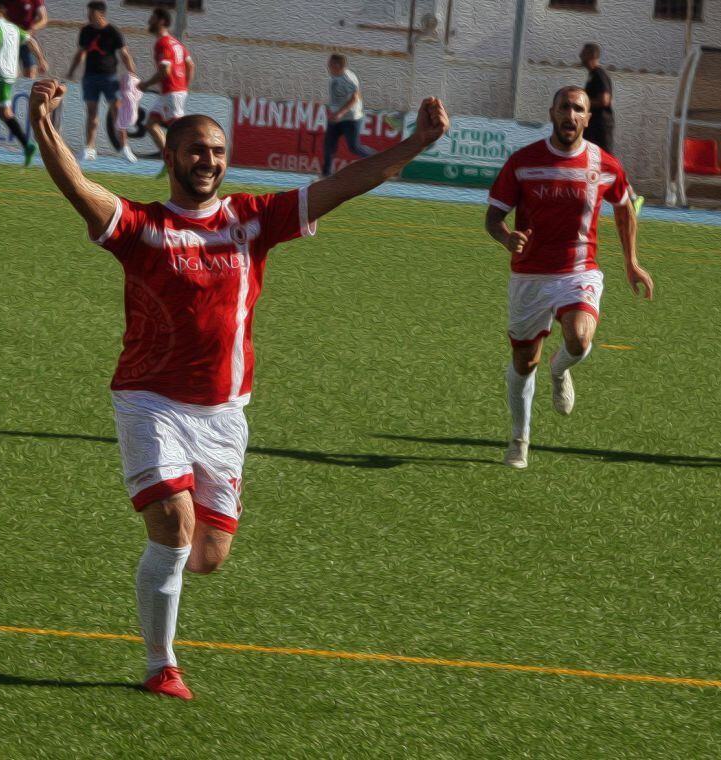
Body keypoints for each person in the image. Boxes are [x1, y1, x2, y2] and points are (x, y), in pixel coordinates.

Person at [28, 78, 449, 698]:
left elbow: (345, 184)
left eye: (218, 151)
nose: (210, 161)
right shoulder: (144, 227)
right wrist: (44, 126)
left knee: (208, 555)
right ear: (169, 156)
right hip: (151, 401)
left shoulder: (253, 220)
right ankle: (160, 664)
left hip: (225, 413)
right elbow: (79, 188)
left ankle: (161, 576)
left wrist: (417, 142)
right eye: (197, 150)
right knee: (173, 526)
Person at [485, 86, 653, 469]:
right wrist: (505, 236)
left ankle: (560, 369)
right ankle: (519, 438)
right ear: (552, 113)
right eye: (565, 107)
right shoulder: (523, 162)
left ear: (587, 119)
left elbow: (625, 211)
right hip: (530, 276)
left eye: (579, 109)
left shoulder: (605, 164)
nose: (571, 115)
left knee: (578, 339)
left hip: (579, 272)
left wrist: (632, 263)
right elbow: (492, 217)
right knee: (524, 360)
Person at [65, 1, 137, 163]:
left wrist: (132, 74)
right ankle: (89, 148)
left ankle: (125, 148)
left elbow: (125, 55)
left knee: (117, 112)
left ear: (101, 14)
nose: (89, 16)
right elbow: (81, 53)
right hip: (90, 77)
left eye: (92, 14)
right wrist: (71, 71)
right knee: (91, 113)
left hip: (109, 78)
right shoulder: (85, 31)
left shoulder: (113, 32)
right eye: (88, 13)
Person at [0, 0, 46, 165]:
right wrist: (41, 59)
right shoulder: (14, 28)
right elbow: (30, 40)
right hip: (4, 77)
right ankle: (27, 145)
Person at [138, 8, 193, 157]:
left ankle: (187, 156)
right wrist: (185, 86)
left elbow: (165, 71)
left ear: (161, 21)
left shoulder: (162, 43)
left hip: (172, 91)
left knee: (178, 130)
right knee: (151, 124)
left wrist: (146, 84)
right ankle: (168, 156)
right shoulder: (176, 43)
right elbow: (190, 65)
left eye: (152, 18)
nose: (149, 21)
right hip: (173, 91)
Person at [323, 53, 374, 177]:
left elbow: (355, 98)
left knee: (354, 147)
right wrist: (332, 112)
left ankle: (378, 159)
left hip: (351, 119)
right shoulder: (333, 77)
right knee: (328, 145)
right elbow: (336, 98)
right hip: (336, 117)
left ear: (337, 65)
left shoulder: (348, 79)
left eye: (330, 64)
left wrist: (340, 113)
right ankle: (326, 176)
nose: (328, 66)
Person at [581, 43, 613, 154]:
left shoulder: (599, 74)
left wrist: (582, 102)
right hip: (593, 125)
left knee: (604, 157)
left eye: (583, 53)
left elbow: (604, 100)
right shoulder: (592, 75)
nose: (580, 56)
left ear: (591, 55)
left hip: (600, 127)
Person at [2, 0, 47, 79]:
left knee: (30, 73)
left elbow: (43, 19)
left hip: (26, 37)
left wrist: (31, 29)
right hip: (8, 38)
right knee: (10, 74)